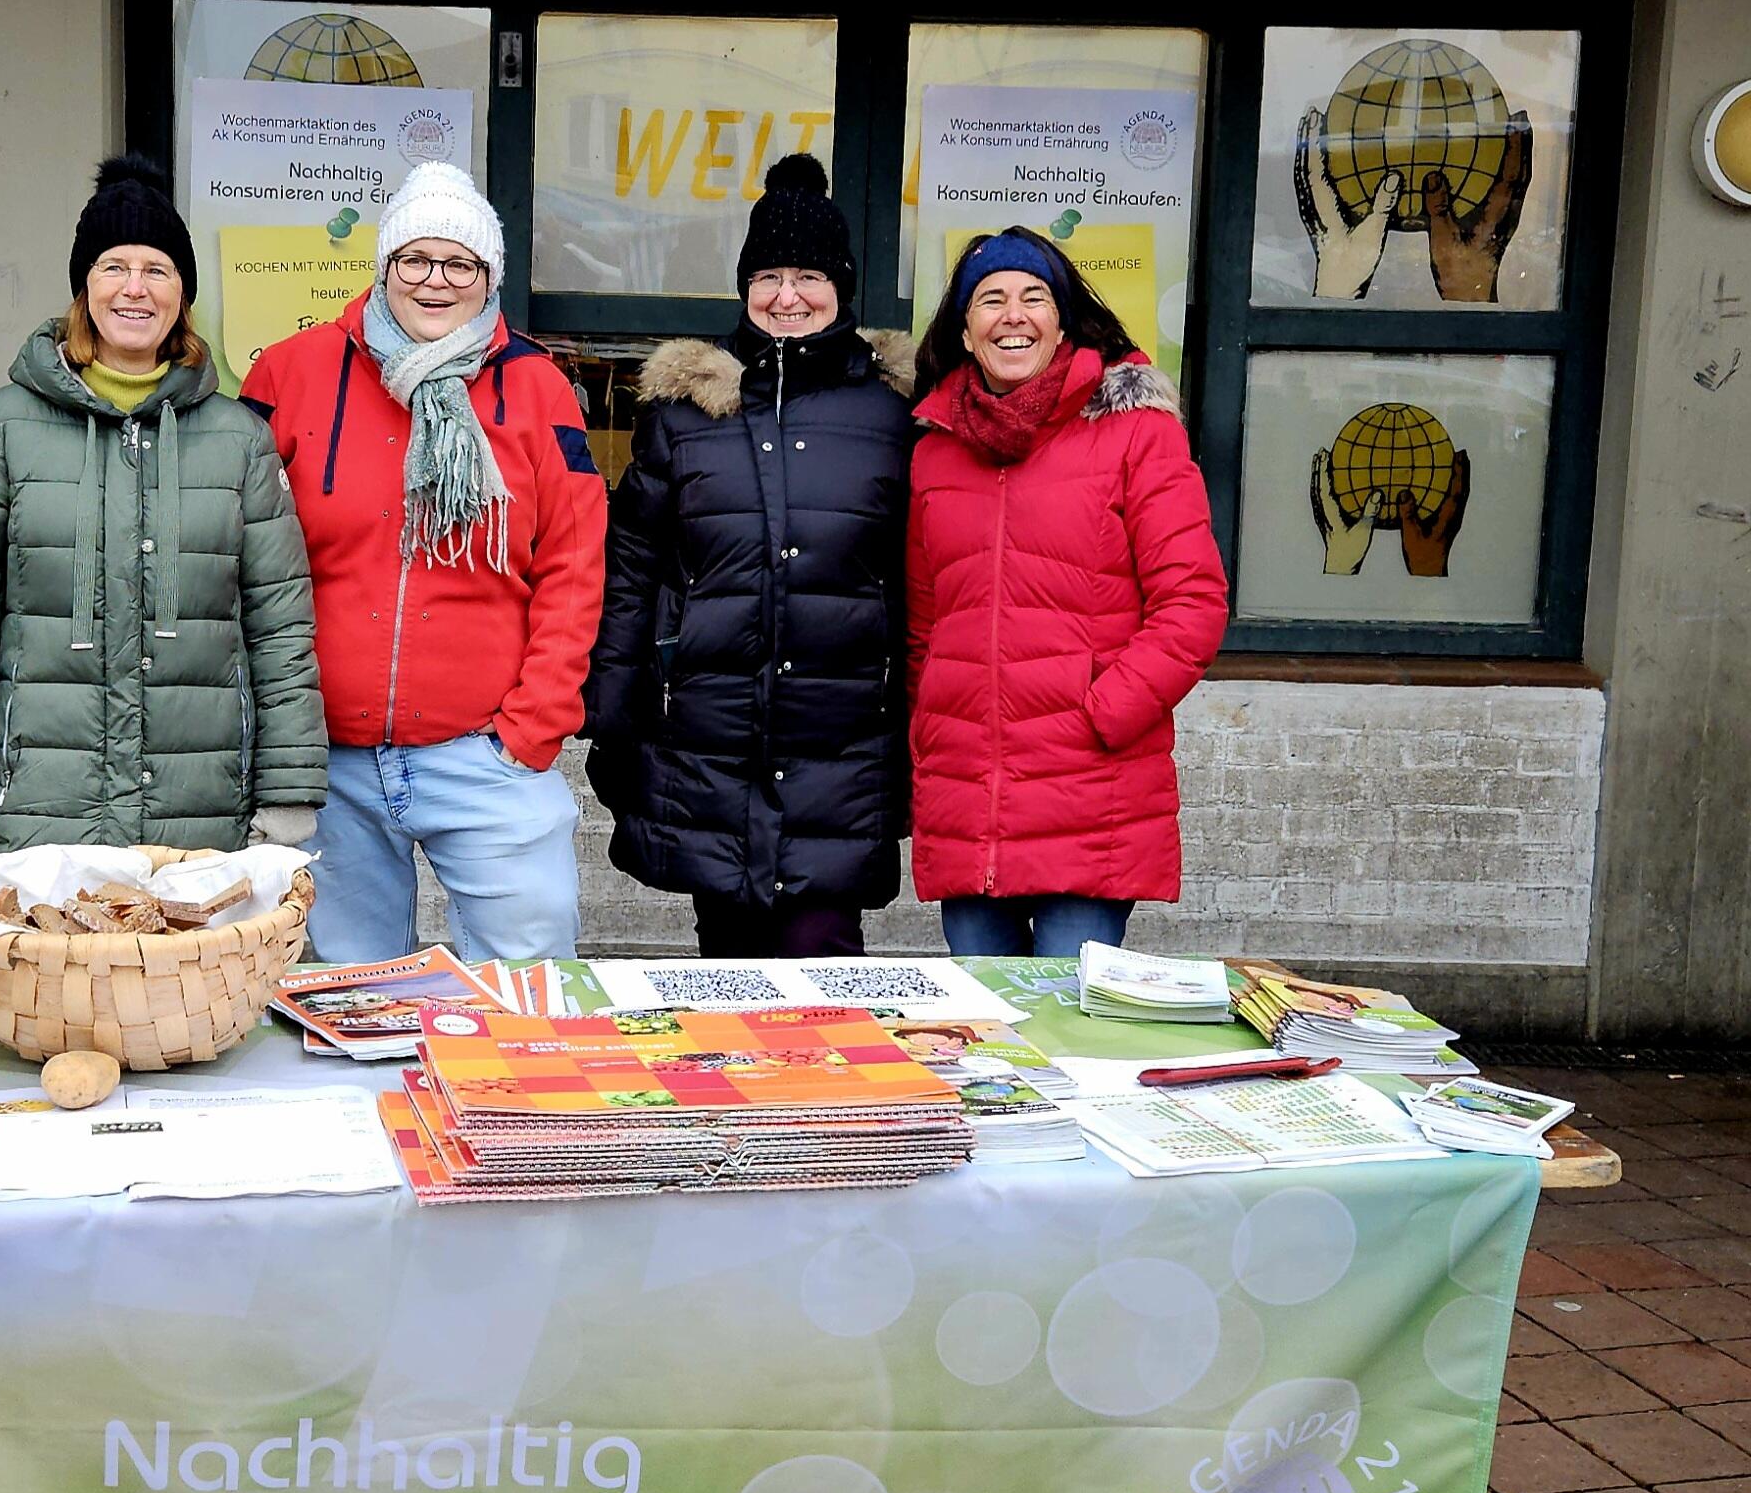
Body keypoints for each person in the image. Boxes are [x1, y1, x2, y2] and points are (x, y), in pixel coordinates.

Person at [240, 160, 606, 963]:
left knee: (527, 987)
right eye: (415, 259)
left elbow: (574, 567)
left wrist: (531, 728)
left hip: (486, 756)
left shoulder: (538, 387)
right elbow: (238, 556)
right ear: (385, 266)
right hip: (326, 764)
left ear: (490, 277)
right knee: (355, 994)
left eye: (460, 264)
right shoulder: (290, 373)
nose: (435, 281)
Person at [0, 156, 325, 856]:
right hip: (39, 811)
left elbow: (281, 632)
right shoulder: (1, 428)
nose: (135, 288)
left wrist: (288, 797)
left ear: (182, 294)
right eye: (114, 266)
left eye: (157, 270)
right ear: (84, 286)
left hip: (202, 816)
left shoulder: (240, 441)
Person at [585, 155, 912, 958]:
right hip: (709, 732)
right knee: (728, 965)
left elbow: (919, 581)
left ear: (841, 287)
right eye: (768, 276)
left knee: (822, 960)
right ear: (743, 287)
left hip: (842, 737)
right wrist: (614, 712)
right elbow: (633, 570)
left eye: (809, 277)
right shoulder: (683, 415)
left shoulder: (891, 413)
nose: (787, 296)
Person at [905, 226, 1226, 959]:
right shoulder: (933, 452)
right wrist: (933, 732)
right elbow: (927, 629)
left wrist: (1102, 711)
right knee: (990, 1021)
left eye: (1033, 297)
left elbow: (1193, 604)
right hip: (970, 798)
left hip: (1090, 792)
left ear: (1062, 323)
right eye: (990, 299)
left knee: (1072, 1015)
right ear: (965, 332)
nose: (1012, 315)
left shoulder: (1137, 435)